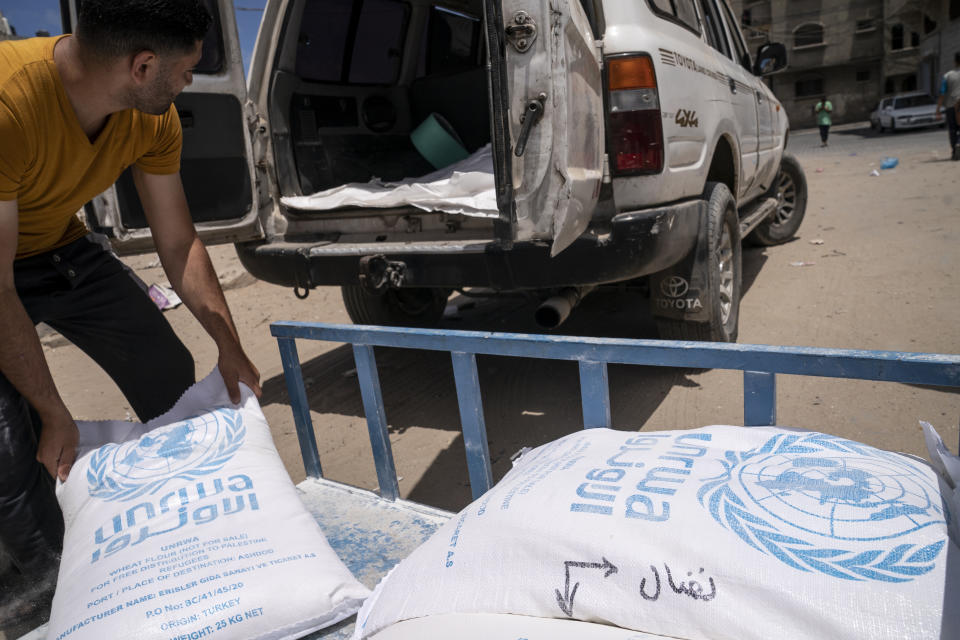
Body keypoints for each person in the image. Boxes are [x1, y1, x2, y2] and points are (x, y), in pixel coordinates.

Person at [0, 0, 261, 625]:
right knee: (11, 447)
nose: (189, 83)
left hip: (58, 247)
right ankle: (50, 596)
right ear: (142, 65)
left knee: (167, 371)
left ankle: (180, 532)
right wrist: (51, 410)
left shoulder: (153, 117)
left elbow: (178, 241)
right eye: (186, 70)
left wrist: (229, 345)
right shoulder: (10, 102)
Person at [935, 52, 960, 161]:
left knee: (953, 129)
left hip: (951, 106)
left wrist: (938, 110)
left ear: (955, 61)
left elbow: (942, 93)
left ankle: (955, 150)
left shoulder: (948, 75)